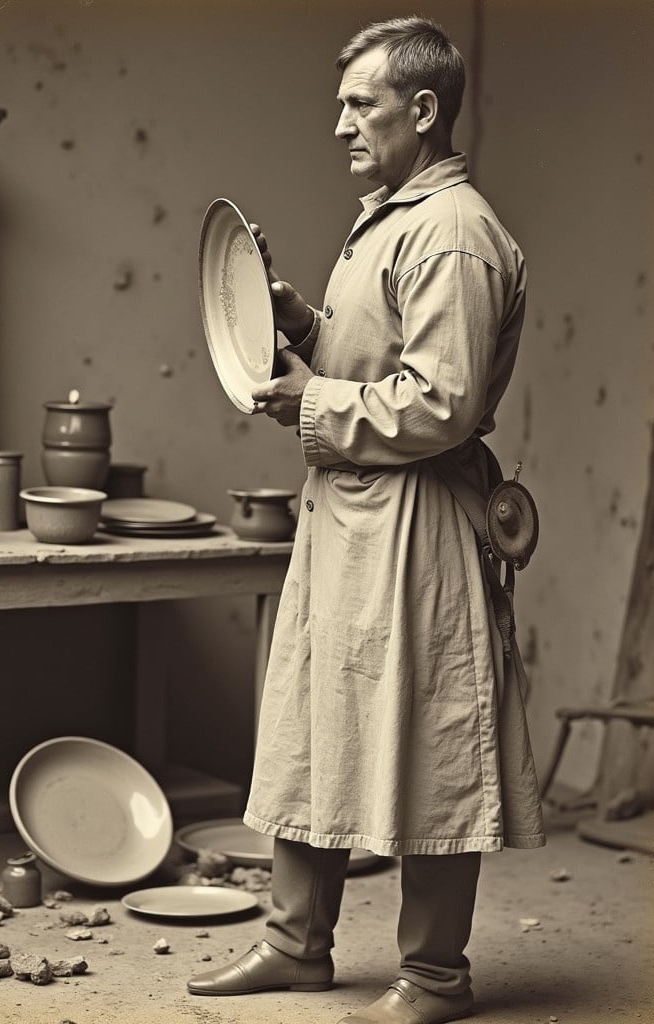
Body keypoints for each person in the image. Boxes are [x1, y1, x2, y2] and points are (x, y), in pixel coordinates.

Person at [188, 15, 545, 1024]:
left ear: (423, 110)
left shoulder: (456, 232)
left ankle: (435, 975)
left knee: (426, 734)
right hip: (349, 512)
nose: (339, 122)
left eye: (361, 103)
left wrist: (308, 399)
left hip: (420, 525)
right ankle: (296, 944)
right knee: (316, 721)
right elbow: (371, 358)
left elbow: (443, 401)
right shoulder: (391, 216)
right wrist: (296, 322)